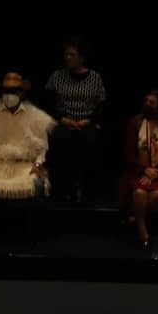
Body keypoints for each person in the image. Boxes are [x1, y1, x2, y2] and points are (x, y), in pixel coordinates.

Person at [0, 72, 57, 200]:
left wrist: (37, 165)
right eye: (6, 91)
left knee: (37, 186)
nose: (9, 95)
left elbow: (42, 146)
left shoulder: (37, 117)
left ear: (22, 93)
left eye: (14, 91)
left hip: (24, 165)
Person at [43, 37, 107, 203]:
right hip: (63, 121)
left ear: (81, 57)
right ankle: (63, 188)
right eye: (66, 54)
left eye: (72, 55)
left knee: (90, 142)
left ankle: (84, 189)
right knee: (61, 141)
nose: (67, 58)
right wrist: (63, 119)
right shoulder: (57, 76)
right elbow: (48, 104)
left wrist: (88, 121)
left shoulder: (95, 77)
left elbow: (101, 105)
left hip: (87, 123)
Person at [118, 90, 158, 247]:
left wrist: (155, 172)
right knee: (139, 192)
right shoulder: (135, 123)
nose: (147, 104)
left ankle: (135, 215)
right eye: (145, 101)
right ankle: (142, 229)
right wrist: (144, 169)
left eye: (152, 102)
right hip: (137, 171)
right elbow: (128, 152)